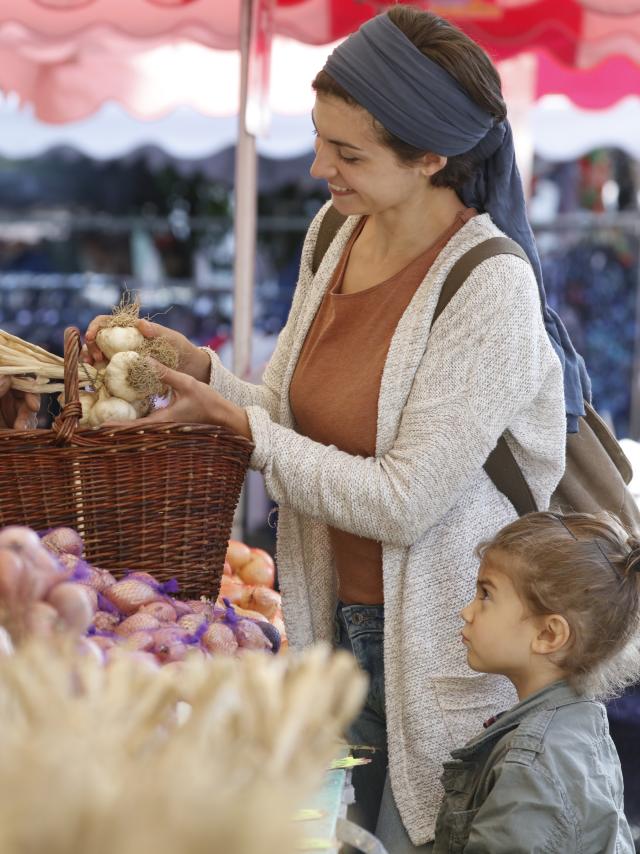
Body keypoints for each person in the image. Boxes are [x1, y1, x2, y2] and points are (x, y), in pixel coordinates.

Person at [84, 7, 589, 849]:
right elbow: (289, 412)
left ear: (432, 159)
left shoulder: (490, 287)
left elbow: (402, 500)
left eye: (348, 153)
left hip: (445, 649)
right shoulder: (333, 235)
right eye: (320, 139)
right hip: (329, 629)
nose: (320, 168)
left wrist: (242, 432)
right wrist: (207, 376)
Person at [434, 511, 638, 853]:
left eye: (485, 595)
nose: (466, 612)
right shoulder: (584, 721)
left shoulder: (530, 770)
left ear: (548, 634)